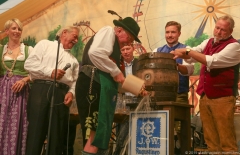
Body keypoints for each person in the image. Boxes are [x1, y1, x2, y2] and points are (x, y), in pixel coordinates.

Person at [170, 15, 240, 153]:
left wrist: (187, 51)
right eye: (217, 27)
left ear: (230, 31)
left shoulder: (235, 46)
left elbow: (212, 61)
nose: (218, 32)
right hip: (205, 96)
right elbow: (191, 57)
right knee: (210, 140)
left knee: (226, 140)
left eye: (223, 30)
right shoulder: (208, 42)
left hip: (223, 98)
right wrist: (179, 54)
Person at [75, 17, 143, 155]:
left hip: (98, 85)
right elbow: (95, 53)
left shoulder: (114, 51)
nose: (130, 42)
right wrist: (116, 71)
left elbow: (119, 80)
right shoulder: (108, 32)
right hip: (92, 84)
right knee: (95, 136)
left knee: (98, 136)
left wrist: (139, 89)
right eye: (129, 37)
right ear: (119, 30)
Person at [24, 26, 79, 155]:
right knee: (36, 132)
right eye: (75, 36)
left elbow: (75, 81)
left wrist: (71, 93)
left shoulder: (74, 60)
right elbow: (29, 64)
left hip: (61, 95)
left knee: (57, 137)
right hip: (41, 90)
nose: (76, 40)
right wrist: (50, 72)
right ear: (64, 33)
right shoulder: (45, 45)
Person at [0, 18, 33, 155]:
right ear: (7, 31)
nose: (17, 31)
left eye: (19, 29)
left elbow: (36, 73)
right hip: (2, 91)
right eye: (14, 28)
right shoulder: (1, 50)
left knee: (18, 123)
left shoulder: (28, 50)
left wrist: (24, 80)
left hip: (20, 93)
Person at [154, 21, 194, 103]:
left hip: (179, 95)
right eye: (167, 32)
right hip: (160, 94)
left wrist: (175, 65)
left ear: (179, 34)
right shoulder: (156, 51)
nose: (169, 35)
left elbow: (189, 71)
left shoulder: (186, 49)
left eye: (173, 32)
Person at [113, 45, 138, 155]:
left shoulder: (140, 63)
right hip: (122, 101)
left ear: (133, 49)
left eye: (128, 49)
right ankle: (120, 151)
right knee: (121, 132)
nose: (125, 52)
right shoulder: (116, 66)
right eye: (122, 50)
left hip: (138, 100)